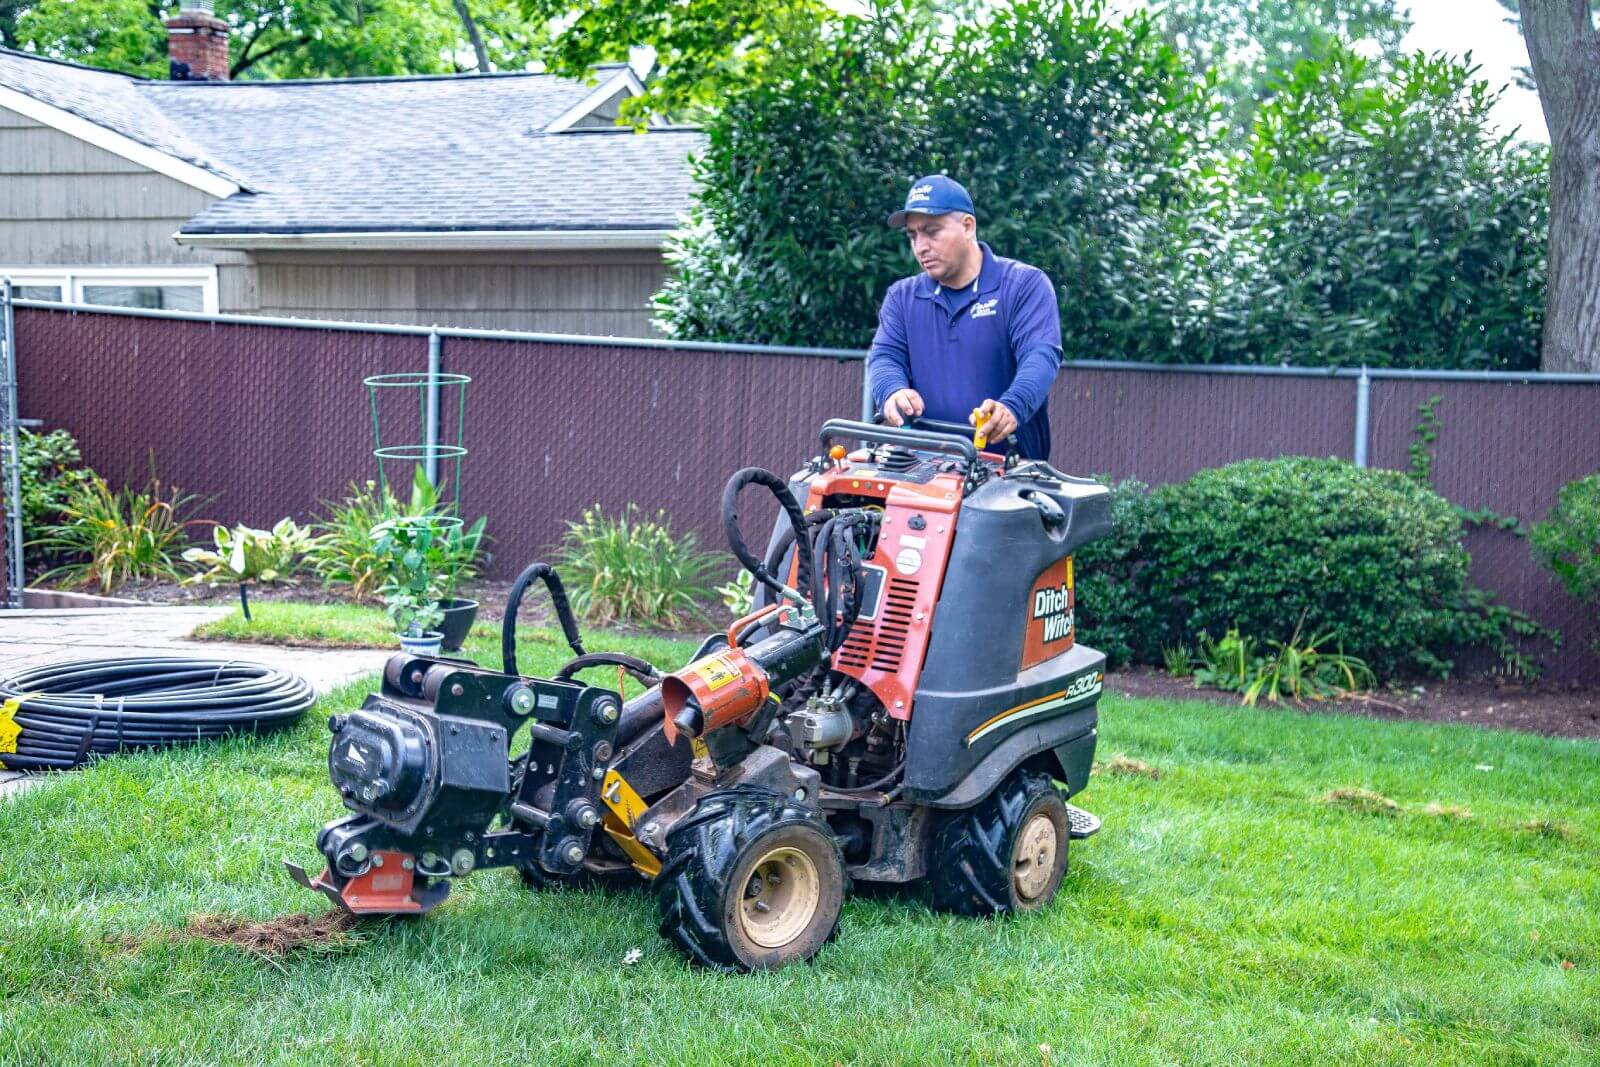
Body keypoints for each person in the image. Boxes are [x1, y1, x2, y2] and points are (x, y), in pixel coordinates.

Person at [866, 174, 1062, 460]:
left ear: (968, 226)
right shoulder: (902, 297)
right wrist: (892, 391)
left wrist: (1012, 407)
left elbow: (1041, 356)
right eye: (913, 235)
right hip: (920, 473)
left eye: (932, 232)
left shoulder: (1024, 285)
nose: (920, 246)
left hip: (1009, 477)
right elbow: (884, 357)